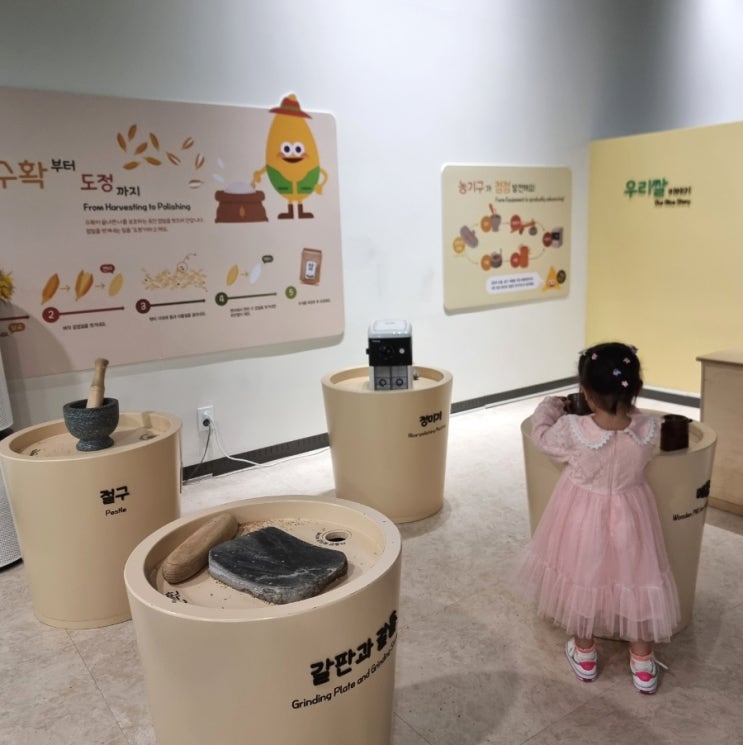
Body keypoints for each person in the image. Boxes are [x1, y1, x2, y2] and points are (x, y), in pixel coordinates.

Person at [518, 342, 680, 694]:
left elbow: (541, 436)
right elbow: (631, 420)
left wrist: (549, 406)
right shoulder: (648, 429)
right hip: (632, 517)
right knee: (637, 578)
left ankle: (585, 655)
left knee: (583, 577)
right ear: (635, 389)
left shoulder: (573, 431)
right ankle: (642, 664)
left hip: (581, 518)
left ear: (586, 393)